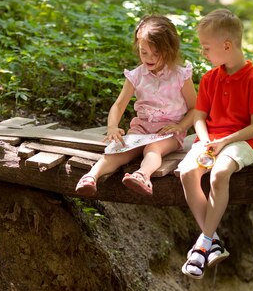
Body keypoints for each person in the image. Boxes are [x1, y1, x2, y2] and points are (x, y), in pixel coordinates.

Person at [179, 8, 253, 279]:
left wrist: (224, 141)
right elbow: (199, 117)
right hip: (209, 141)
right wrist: (207, 140)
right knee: (187, 172)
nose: (203, 53)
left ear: (227, 45)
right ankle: (213, 241)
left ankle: (202, 243)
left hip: (239, 143)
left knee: (219, 174)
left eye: (207, 47)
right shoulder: (209, 78)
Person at [75, 14, 196, 197]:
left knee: (152, 149)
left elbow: (196, 108)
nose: (149, 58)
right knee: (119, 149)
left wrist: (181, 126)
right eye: (144, 52)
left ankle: (142, 176)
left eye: (156, 53)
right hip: (141, 128)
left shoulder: (180, 75)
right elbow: (118, 105)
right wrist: (112, 127)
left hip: (168, 131)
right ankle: (91, 176)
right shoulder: (136, 75)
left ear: (169, 50)